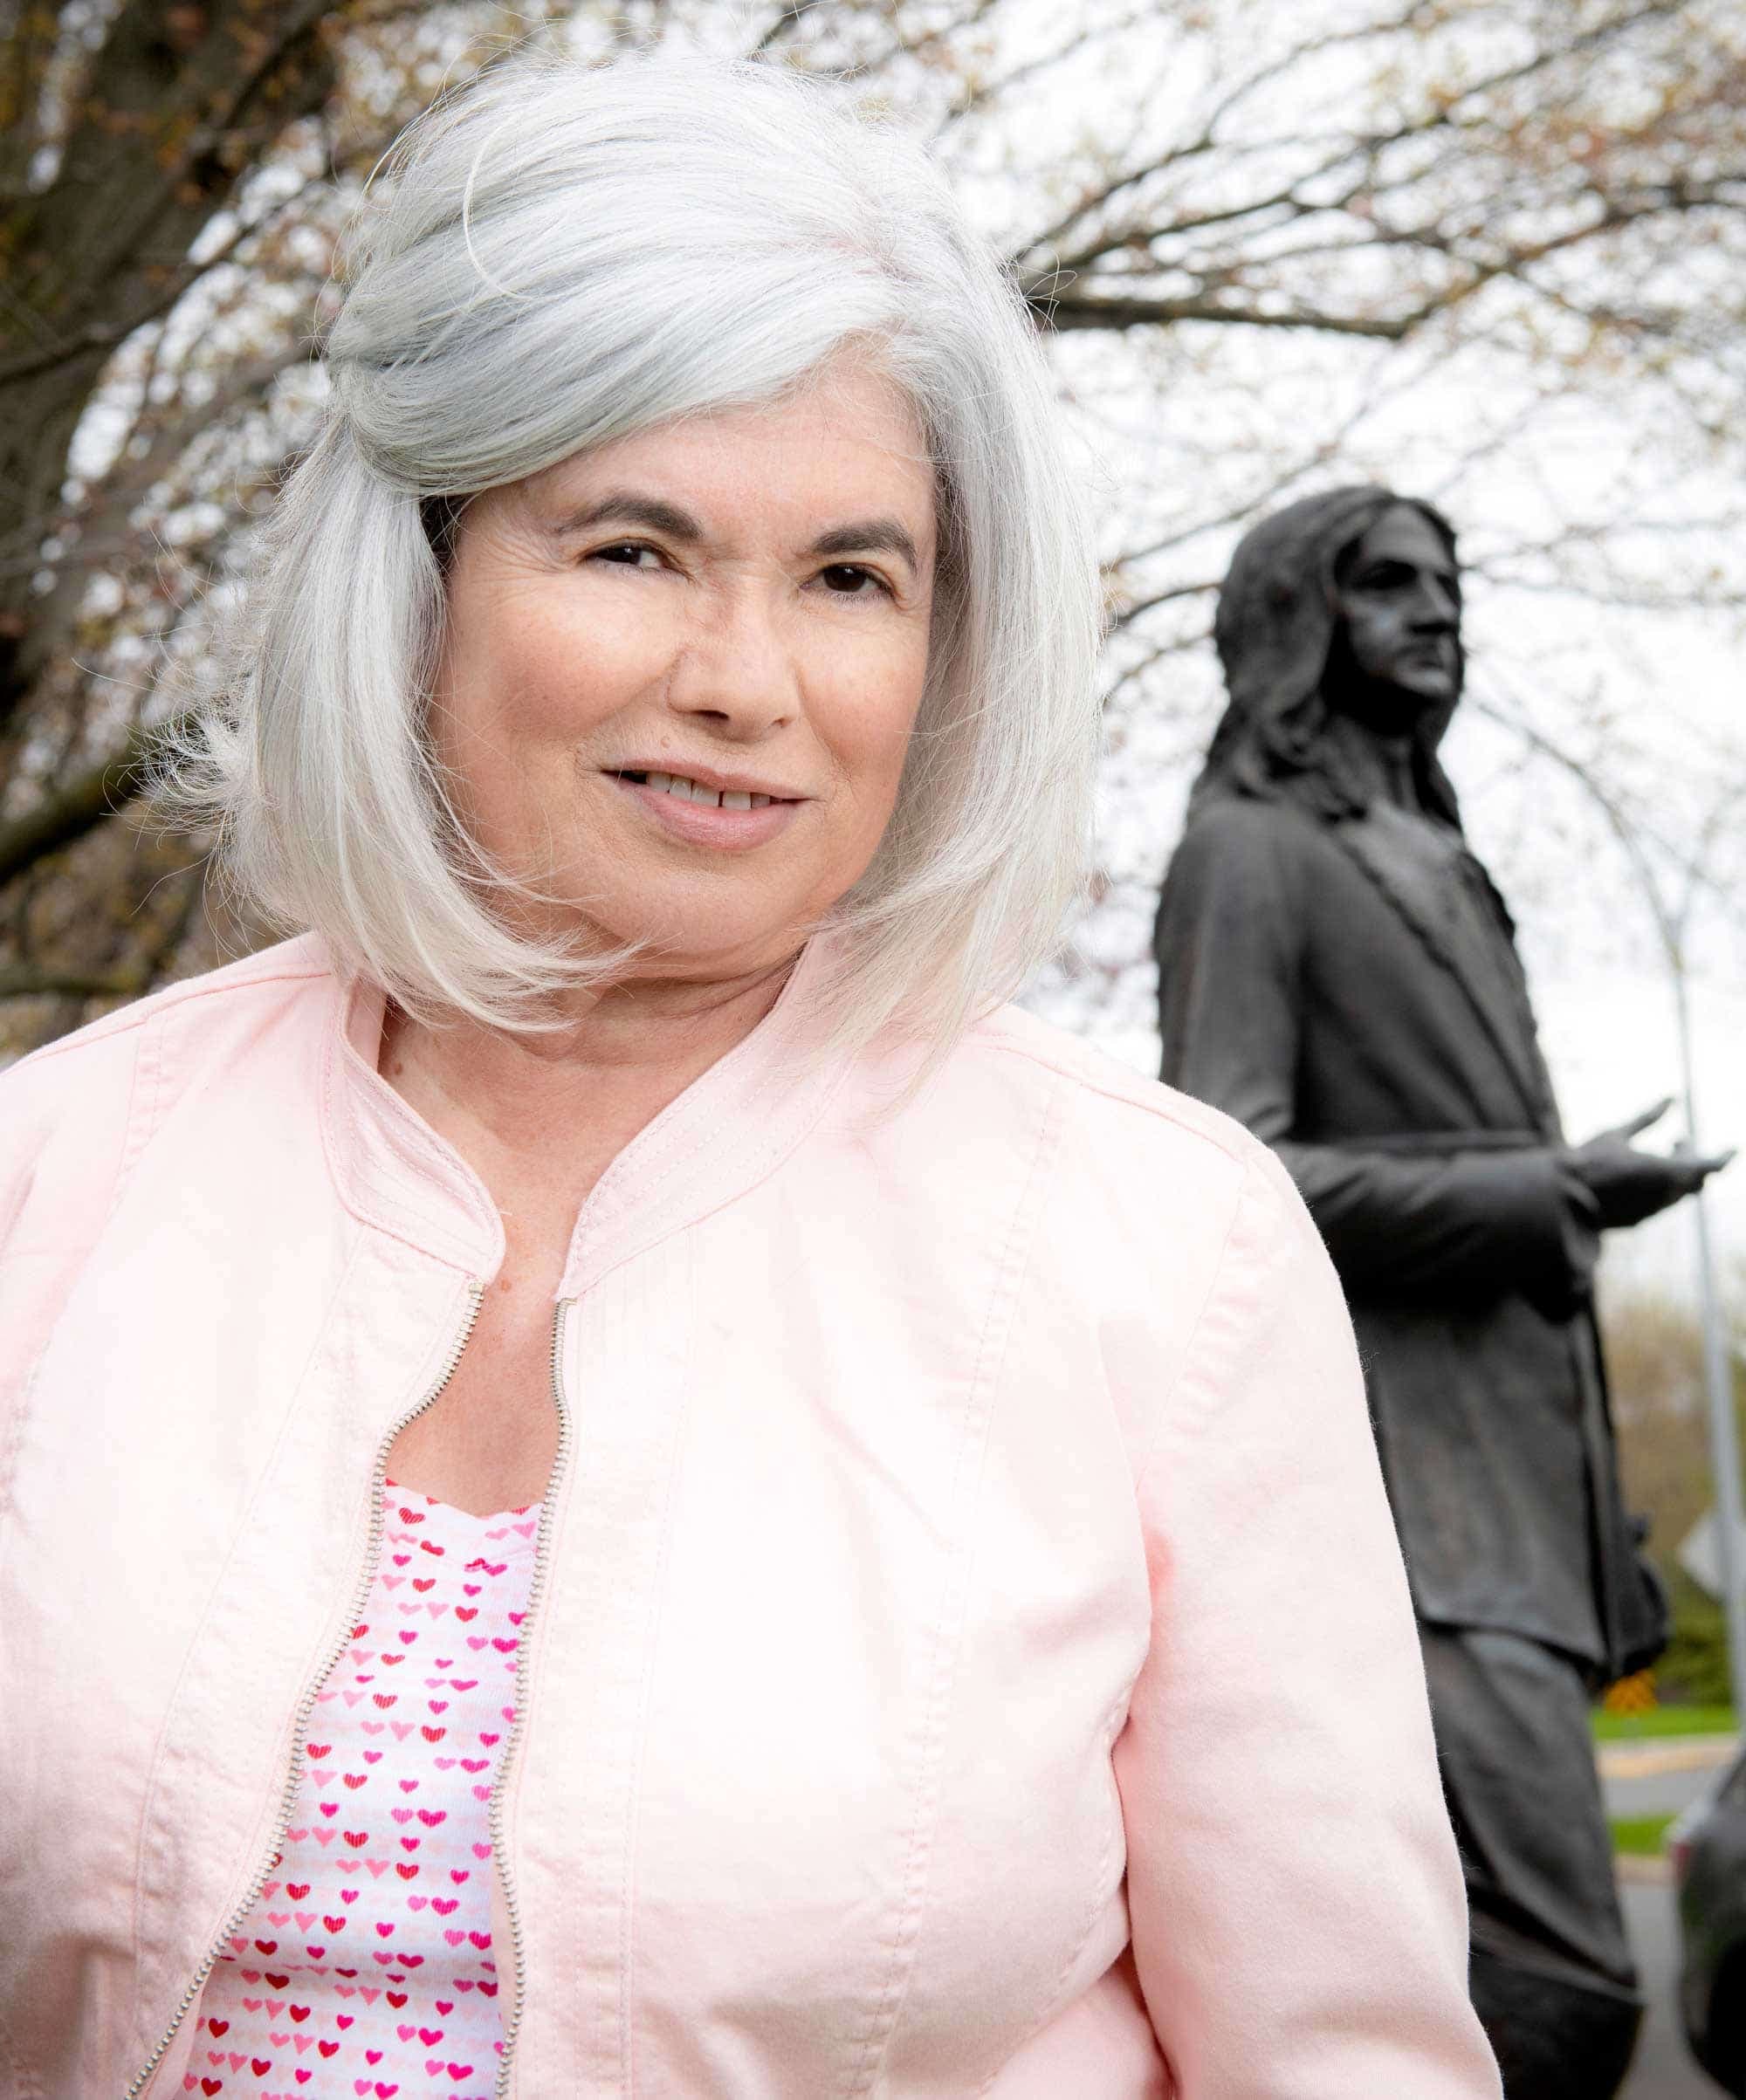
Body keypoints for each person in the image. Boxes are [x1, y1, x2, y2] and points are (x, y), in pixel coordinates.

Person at [0, 60, 1498, 2100]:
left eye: (849, 578)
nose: (742, 681)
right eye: (633, 549)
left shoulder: (1166, 1254)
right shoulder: (53, 1174)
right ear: (417, 581)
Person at [1152, 485, 1729, 2100]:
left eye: (1447, 586)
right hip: (1403, 1503)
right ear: (1299, 622)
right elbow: (1233, 1175)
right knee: (1561, 1981)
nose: (1437, 611)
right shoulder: (1249, 852)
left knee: (1521, 1986)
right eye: (1390, 585)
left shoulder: (1445, 860)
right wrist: (1540, 1192)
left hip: (1531, 1506)